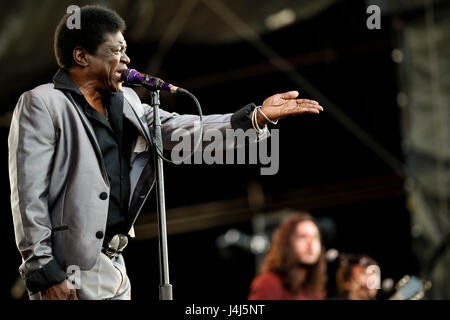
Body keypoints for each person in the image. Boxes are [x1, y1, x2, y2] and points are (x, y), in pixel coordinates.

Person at [8, 5, 324, 300]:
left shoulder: (127, 101)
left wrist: (256, 118)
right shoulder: (43, 103)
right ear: (81, 56)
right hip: (69, 268)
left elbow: (182, 129)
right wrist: (44, 272)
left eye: (126, 50)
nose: (127, 59)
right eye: (116, 51)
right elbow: (27, 194)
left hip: (115, 264)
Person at [248, 212, 327, 300]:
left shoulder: (315, 291)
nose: (311, 243)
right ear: (287, 244)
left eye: (315, 237)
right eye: (303, 237)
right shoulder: (269, 284)